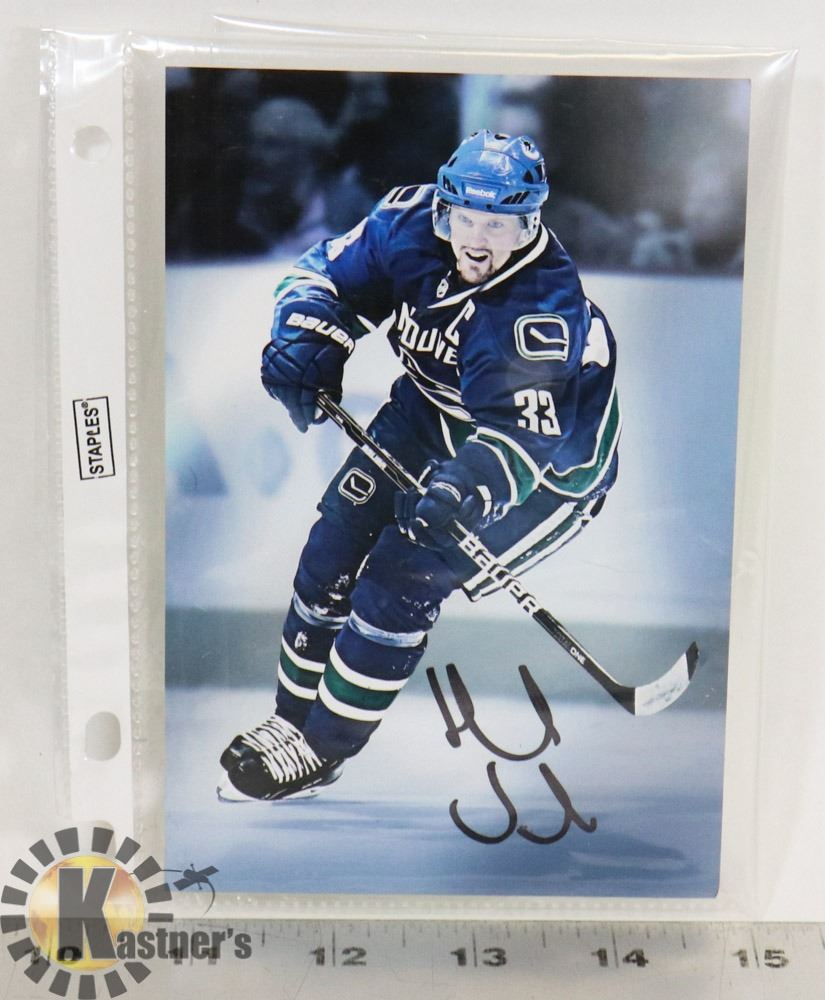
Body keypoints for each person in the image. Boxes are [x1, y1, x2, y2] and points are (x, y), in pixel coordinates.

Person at [217, 130, 621, 802]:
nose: (478, 241)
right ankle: (288, 723)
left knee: (399, 579)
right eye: (467, 218)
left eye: (498, 224)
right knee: (329, 552)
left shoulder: (540, 309)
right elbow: (322, 277)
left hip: (547, 473)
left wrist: (467, 487)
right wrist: (305, 338)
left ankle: (321, 750)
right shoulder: (405, 221)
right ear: (443, 209)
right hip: (429, 413)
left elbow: (521, 439)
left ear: (529, 224)